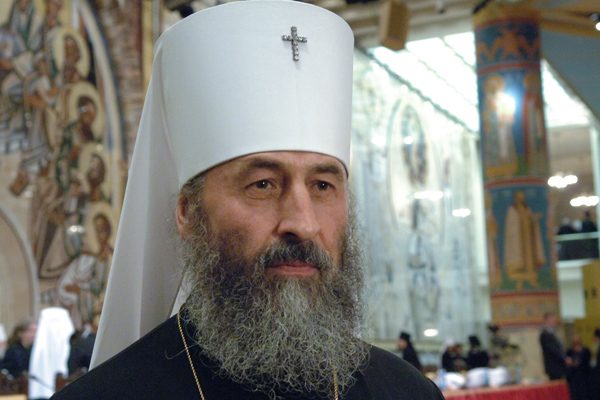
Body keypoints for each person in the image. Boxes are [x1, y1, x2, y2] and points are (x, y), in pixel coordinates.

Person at [51, 2, 444, 399]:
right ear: (188, 213)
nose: (303, 223)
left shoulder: (408, 393)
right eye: (263, 184)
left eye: (323, 186)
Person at [539, 312, 567, 380]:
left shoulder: (553, 333)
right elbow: (553, 349)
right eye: (551, 320)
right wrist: (564, 358)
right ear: (546, 321)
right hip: (553, 366)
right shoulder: (545, 335)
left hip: (559, 366)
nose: (554, 322)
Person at [565, 334, 591, 400]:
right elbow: (567, 363)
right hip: (573, 380)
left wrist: (572, 363)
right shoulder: (569, 351)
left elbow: (579, 363)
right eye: (574, 342)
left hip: (584, 380)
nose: (575, 343)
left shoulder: (585, 350)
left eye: (577, 341)